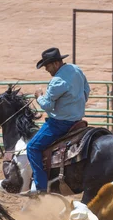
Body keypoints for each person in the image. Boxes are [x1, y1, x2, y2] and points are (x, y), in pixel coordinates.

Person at [26, 47, 91, 195]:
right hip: (77, 120)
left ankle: (40, 188)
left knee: (32, 148)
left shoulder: (57, 81)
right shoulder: (76, 69)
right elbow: (86, 91)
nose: (46, 70)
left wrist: (39, 96)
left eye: (47, 66)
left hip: (60, 123)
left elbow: (48, 105)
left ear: (55, 64)